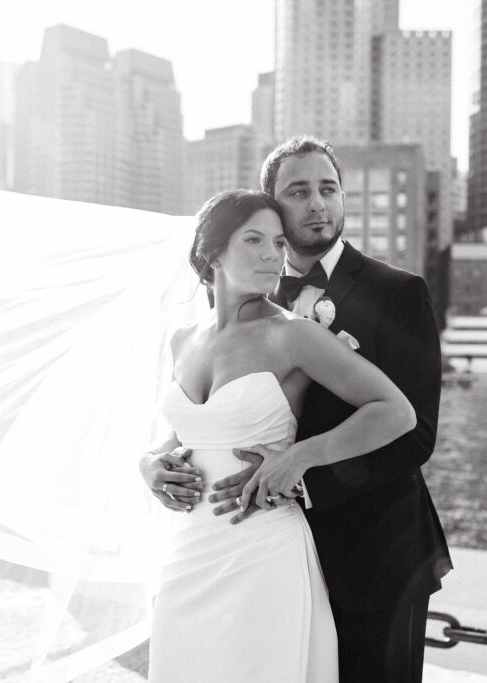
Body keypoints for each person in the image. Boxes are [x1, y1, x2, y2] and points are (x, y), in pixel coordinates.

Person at [139, 189, 417, 682]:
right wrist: (151, 465)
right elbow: (180, 434)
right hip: (188, 553)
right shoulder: (183, 340)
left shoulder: (293, 334)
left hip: (262, 552)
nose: (273, 254)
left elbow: (396, 411)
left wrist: (301, 457)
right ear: (212, 252)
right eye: (254, 240)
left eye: (278, 242)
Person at [208, 136, 453, 682]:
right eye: (299, 192)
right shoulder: (248, 301)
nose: (318, 204)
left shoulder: (399, 292)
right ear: (271, 206)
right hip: (271, 556)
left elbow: (417, 435)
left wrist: (297, 474)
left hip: (377, 556)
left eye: (329, 189)